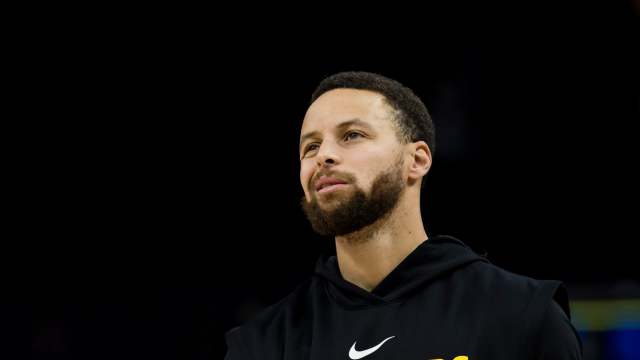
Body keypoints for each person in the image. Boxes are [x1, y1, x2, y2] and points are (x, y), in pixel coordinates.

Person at [224, 71, 583, 359]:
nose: (324, 156)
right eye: (311, 146)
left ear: (417, 160)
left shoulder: (521, 315)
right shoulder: (263, 343)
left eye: (351, 135)